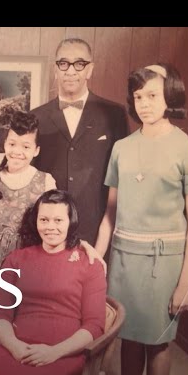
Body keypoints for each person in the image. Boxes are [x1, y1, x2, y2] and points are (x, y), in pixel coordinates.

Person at [95, 63, 188, 375]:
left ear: (170, 95)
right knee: (128, 337)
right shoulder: (121, 148)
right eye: (138, 96)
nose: (144, 103)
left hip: (163, 264)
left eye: (152, 95)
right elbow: (110, 213)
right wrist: (97, 258)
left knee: (158, 343)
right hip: (124, 261)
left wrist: (186, 284)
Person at [0, 111, 103, 313]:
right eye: (12, 144)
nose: (17, 151)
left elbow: (58, 225)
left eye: (26, 146)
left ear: (36, 151)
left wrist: (84, 245)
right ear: (4, 144)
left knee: (27, 319)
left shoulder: (45, 181)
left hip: (31, 266)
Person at [0, 190, 107, 375]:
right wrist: (15, 347)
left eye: (58, 220)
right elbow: (0, 314)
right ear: (35, 221)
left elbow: (94, 326)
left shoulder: (89, 264)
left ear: (70, 222)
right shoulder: (16, 259)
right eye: (44, 220)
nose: (50, 227)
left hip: (63, 353)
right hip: (18, 347)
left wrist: (54, 352)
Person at [29, 38, 129, 246]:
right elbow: (16, 166)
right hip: (48, 231)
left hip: (97, 229)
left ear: (90, 70)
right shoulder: (35, 117)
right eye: (63, 63)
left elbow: (123, 173)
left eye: (79, 64)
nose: (70, 71)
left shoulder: (114, 114)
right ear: (55, 69)